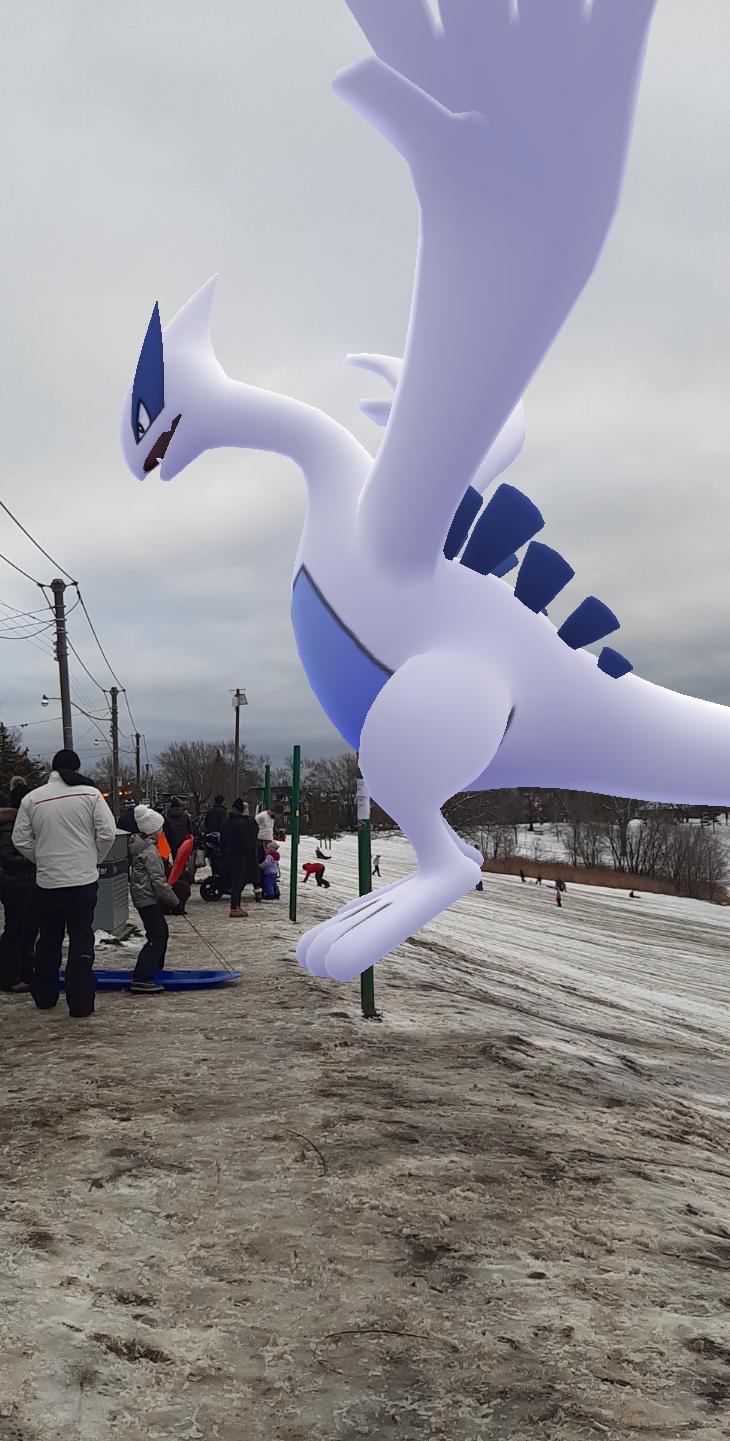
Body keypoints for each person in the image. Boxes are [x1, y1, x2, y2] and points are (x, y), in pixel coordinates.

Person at [12, 750, 116, 1018]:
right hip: (82, 880)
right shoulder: (90, 795)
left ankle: (44, 996)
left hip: (48, 882)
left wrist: (43, 859)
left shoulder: (31, 799)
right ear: (77, 767)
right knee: (81, 937)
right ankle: (80, 1002)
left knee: (48, 939)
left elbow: (20, 839)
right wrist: (92, 858)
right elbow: (106, 833)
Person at [129, 806, 180, 995]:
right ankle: (142, 977)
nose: (162, 831)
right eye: (160, 828)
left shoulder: (143, 846)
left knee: (160, 933)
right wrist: (174, 901)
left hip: (146, 896)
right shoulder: (149, 851)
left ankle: (155, 970)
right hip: (147, 898)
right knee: (157, 936)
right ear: (153, 830)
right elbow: (158, 881)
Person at [0, 778, 38, 993]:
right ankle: (9, 976)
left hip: (28, 882)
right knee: (15, 929)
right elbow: (7, 858)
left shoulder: (24, 824)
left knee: (30, 928)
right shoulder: (9, 826)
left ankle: (26, 971)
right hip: (14, 884)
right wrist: (34, 858)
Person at [221, 798, 260, 917]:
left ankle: (236, 906)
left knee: (234, 881)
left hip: (228, 855)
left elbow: (222, 840)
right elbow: (245, 842)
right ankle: (235, 907)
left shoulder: (226, 823)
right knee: (238, 882)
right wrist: (252, 849)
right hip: (239, 856)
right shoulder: (242, 824)